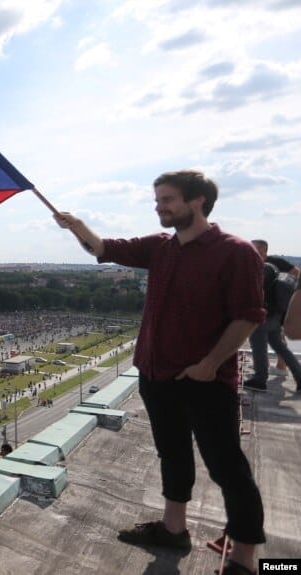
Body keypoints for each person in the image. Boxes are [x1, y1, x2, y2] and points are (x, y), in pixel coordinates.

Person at [54, 170, 265, 575]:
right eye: (158, 199)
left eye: (167, 199)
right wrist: (76, 226)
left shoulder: (235, 252)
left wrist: (209, 365)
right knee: (172, 454)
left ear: (197, 201)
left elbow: (248, 317)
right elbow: (103, 247)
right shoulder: (160, 247)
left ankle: (245, 560)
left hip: (205, 382)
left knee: (227, 468)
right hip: (155, 375)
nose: (159, 206)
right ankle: (173, 529)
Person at [244, 240, 301, 393]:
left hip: (263, 315)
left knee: (258, 346)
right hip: (275, 315)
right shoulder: (273, 266)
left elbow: (257, 293)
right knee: (281, 348)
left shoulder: (263, 267)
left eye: (252, 248)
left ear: (262, 250)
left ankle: (259, 380)